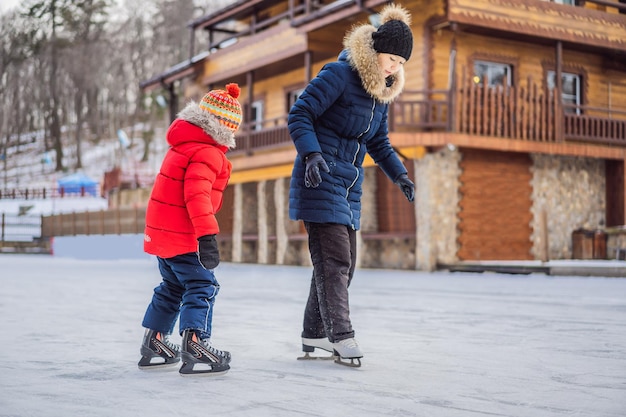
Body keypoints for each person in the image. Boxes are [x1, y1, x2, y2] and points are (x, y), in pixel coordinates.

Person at [288, 4, 415, 367]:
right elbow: (300, 114)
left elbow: (379, 144)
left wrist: (401, 175)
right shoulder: (339, 75)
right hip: (319, 176)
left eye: (401, 63)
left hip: (348, 187)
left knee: (344, 264)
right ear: (375, 50)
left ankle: (314, 332)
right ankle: (341, 336)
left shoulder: (380, 96)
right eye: (391, 58)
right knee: (335, 261)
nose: (394, 67)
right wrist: (311, 155)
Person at [138, 83, 242, 376]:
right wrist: (207, 236)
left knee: (172, 287)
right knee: (202, 286)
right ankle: (196, 343)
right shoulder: (208, 154)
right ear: (225, 127)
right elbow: (196, 197)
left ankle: (155, 342)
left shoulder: (180, 146)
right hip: (184, 237)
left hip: (162, 234)